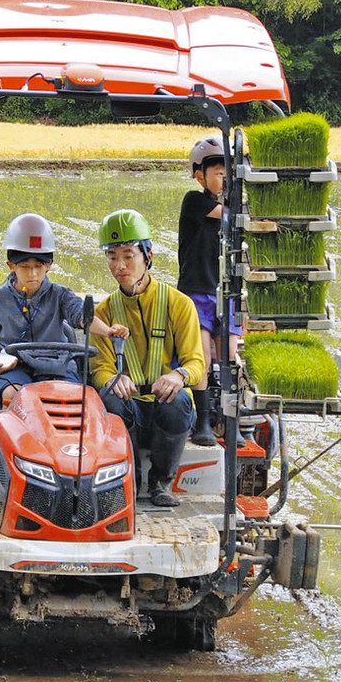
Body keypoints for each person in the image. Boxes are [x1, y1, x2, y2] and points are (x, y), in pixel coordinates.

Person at [90, 209, 205, 507]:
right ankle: (130, 481)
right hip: (130, 408)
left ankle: (161, 482)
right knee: (109, 400)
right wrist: (113, 379)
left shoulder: (179, 304)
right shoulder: (103, 313)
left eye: (128, 255)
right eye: (112, 257)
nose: (120, 265)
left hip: (164, 405)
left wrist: (178, 376)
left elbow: (196, 363)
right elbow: (99, 367)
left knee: (178, 401)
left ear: (148, 255)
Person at [0, 213, 127, 407]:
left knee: (69, 400)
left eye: (38, 266)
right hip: (14, 367)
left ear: (49, 266)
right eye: (25, 266)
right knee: (16, 398)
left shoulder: (61, 295)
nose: (33, 273)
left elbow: (82, 316)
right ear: (11, 266)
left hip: (58, 366)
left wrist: (108, 331)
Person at [178, 135, 245, 446]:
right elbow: (230, 218)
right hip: (197, 292)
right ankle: (202, 422)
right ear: (200, 176)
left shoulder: (235, 207)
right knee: (202, 356)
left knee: (232, 354)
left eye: (227, 172)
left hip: (227, 293)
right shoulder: (196, 202)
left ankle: (235, 422)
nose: (223, 177)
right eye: (218, 172)